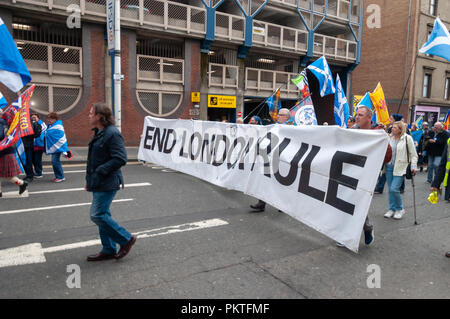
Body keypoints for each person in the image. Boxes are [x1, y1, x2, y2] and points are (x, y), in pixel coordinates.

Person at [85, 103, 136, 261]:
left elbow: (120, 158)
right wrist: (90, 180)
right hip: (98, 181)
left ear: (100, 116)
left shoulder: (112, 133)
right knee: (103, 214)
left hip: (107, 181)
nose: (89, 115)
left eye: (91, 113)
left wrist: (100, 171)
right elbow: (94, 160)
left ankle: (126, 239)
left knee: (97, 215)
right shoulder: (100, 132)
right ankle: (108, 249)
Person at [340, 106, 392, 245]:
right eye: (356, 114)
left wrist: (385, 141)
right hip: (350, 171)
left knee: (357, 203)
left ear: (369, 118)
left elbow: (387, 158)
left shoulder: (378, 133)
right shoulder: (351, 132)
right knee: (346, 202)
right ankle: (346, 235)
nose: (357, 117)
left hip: (367, 175)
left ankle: (365, 229)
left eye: (360, 115)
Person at [249, 109, 292, 213]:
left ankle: (282, 204)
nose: (277, 116)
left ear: (287, 117)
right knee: (265, 179)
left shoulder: (291, 128)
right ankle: (261, 203)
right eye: (278, 115)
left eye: (280, 115)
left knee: (280, 183)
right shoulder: (274, 127)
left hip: (282, 159)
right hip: (270, 157)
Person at [384, 121, 418, 220]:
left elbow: (413, 154)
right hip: (389, 166)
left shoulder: (407, 138)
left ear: (400, 129)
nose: (392, 129)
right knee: (390, 189)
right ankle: (392, 208)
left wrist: (413, 166)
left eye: (394, 127)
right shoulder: (389, 137)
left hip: (401, 167)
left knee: (394, 189)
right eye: (392, 127)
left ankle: (400, 209)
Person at [0, 112, 28, 197]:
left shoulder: (1, 123)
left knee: (8, 175)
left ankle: (22, 183)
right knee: (5, 174)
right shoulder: (6, 123)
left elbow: (0, 136)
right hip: (6, 150)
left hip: (4, 151)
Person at [45, 112, 68, 183]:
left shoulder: (58, 126)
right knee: (55, 161)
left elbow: (60, 137)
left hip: (57, 147)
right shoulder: (51, 125)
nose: (49, 120)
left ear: (55, 119)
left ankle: (60, 177)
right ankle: (60, 176)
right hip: (55, 146)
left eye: (50, 119)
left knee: (55, 161)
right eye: (48, 118)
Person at [21, 113, 42, 182]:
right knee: (26, 160)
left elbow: (35, 134)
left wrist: (28, 135)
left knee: (27, 160)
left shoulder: (30, 123)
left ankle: (30, 175)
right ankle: (29, 174)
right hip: (25, 144)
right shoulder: (26, 122)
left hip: (27, 144)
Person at [31, 113, 46, 178]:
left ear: (38, 118)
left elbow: (43, 134)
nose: (33, 119)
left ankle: (39, 173)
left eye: (34, 117)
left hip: (39, 144)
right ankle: (39, 170)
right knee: (34, 159)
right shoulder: (31, 124)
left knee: (37, 159)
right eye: (32, 117)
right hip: (33, 144)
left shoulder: (42, 124)